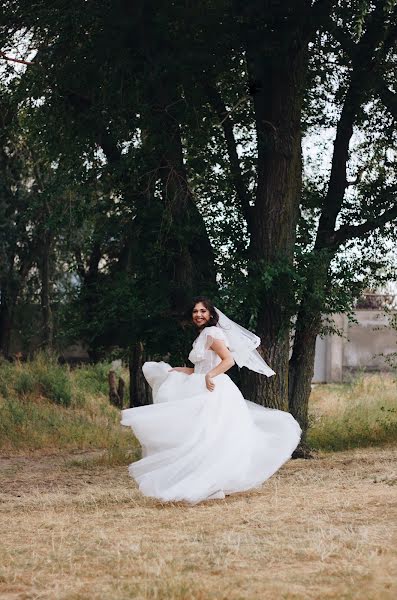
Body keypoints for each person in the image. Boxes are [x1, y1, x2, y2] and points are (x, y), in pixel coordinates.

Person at [120, 297, 301, 504]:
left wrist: (209, 375)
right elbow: (202, 366)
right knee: (203, 436)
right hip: (201, 384)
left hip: (214, 388)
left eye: (203, 311)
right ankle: (210, 482)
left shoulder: (212, 333)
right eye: (195, 311)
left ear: (211, 314)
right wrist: (184, 371)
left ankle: (211, 483)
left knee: (209, 436)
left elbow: (228, 361)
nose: (198, 315)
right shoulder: (202, 335)